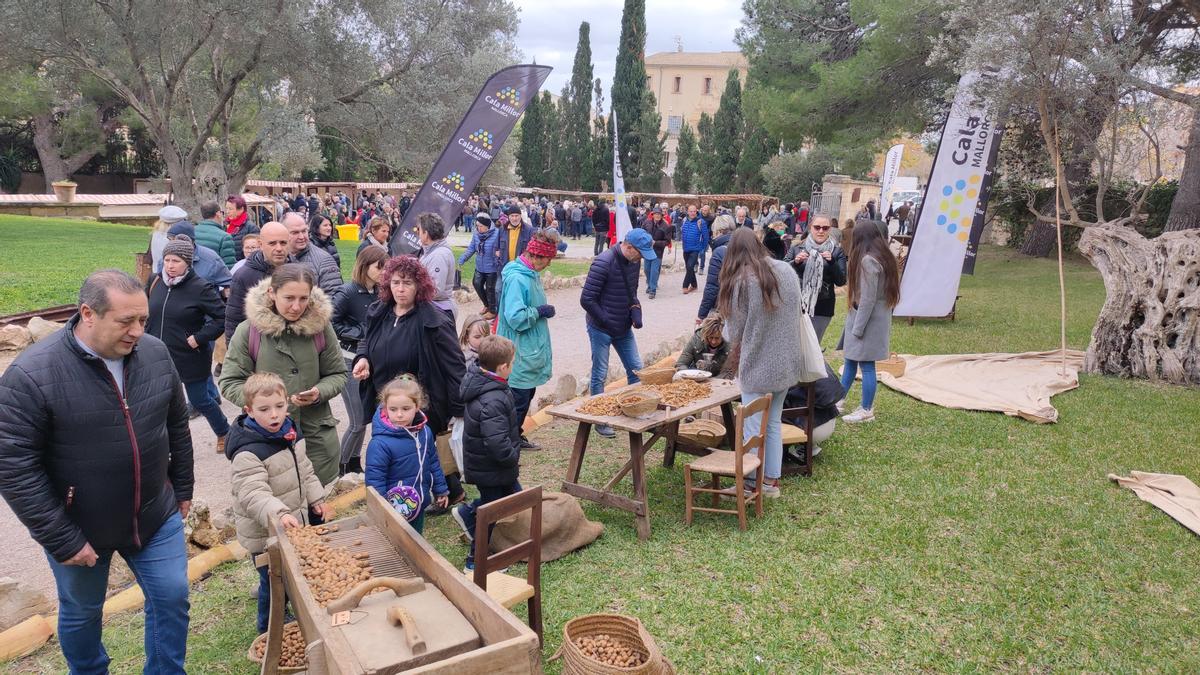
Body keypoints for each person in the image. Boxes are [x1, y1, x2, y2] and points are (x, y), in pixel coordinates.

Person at [0, 270, 193, 674]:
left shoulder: (155, 354)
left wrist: (184, 487)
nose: (138, 331)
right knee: (83, 613)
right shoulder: (32, 375)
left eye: (142, 320)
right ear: (88, 313)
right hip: (79, 527)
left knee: (172, 597)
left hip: (155, 515)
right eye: (126, 321)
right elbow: (14, 467)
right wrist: (62, 539)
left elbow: (176, 421)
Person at [351, 255, 466, 506]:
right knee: (393, 449)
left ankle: (440, 492)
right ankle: (397, 493)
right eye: (395, 283)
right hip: (384, 398)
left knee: (421, 450)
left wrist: (457, 409)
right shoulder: (378, 312)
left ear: (419, 286)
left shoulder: (434, 320)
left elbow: (455, 365)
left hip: (420, 402)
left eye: (407, 283)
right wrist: (363, 358)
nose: (400, 289)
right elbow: (366, 340)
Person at [220, 264, 348, 485]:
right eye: (289, 298)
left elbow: (337, 374)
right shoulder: (249, 331)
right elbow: (230, 381)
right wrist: (265, 405)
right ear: (272, 293)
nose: (297, 307)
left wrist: (319, 392)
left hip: (316, 437)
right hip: (267, 440)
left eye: (303, 298)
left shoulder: (321, 328)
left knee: (323, 505)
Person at [226, 372, 331, 633]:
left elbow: (304, 468)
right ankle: (269, 626)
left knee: (293, 575)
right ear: (249, 411)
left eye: (279, 407)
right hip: (266, 534)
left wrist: (316, 498)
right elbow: (253, 493)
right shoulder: (247, 452)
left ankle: (296, 611)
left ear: (288, 404)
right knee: (274, 582)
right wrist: (279, 513)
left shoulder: (290, 433)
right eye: (264, 409)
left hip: (292, 525)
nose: (274, 415)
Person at [718, 228, 807, 498]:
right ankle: (769, 483)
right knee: (773, 423)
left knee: (752, 428)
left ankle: (749, 485)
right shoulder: (787, 271)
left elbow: (733, 334)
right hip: (786, 363)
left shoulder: (741, 281)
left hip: (758, 366)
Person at [146, 236, 229, 452]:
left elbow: (222, 317)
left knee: (200, 400)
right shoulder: (155, 282)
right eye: (167, 260)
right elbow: (146, 313)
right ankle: (167, 444)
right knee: (160, 402)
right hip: (158, 355)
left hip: (190, 356)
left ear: (188, 263)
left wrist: (199, 337)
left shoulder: (200, 287)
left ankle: (224, 432)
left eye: (176, 261)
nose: (171, 266)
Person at [451, 335, 522, 571]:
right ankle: (476, 561)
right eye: (512, 363)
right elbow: (496, 441)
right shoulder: (493, 398)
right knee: (492, 513)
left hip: (489, 466)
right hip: (491, 467)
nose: (513, 366)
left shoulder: (487, 384)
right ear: (503, 367)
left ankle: (467, 512)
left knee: (513, 499)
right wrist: (512, 456)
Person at [580, 229, 656, 438]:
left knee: (636, 369)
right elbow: (586, 299)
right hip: (601, 328)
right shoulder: (603, 263)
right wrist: (606, 320)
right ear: (629, 247)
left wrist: (636, 309)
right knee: (600, 372)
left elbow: (631, 292)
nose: (641, 258)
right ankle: (599, 417)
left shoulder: (634, 262)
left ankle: (638, 408)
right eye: (640, 253)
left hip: (623, 327)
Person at [497, 229, 559, 451]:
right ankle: (508, 442)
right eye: (548, 259)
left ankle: (515, 436)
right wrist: (538, 312)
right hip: (519, 350)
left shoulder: (531, 274)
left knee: (526, 394)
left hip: (528, 348)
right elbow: (515, 317)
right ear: (535, 256)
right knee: (518, 399)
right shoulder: (517, 279)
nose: (549, 264)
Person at [365, 376, 449, 533]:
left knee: (416, 541)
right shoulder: (380, 444)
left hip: (417, 503)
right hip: (392, 510)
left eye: (405, 409)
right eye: (393, 409)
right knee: (394, 547)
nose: (399, 415)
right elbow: (375, 483)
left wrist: (440, 489)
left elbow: (433, 461)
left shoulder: (425, 432)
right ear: (385, 408)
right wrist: (384, 511)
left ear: (417, 406)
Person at [331, 246, 388, 474]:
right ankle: (342, 467)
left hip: (370, 361)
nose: (384, 272)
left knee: (365, 418)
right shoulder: (346, 292)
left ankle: (354, 463)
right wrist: (359, 333)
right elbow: (330, 322)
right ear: (365, 266)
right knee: (357, 422)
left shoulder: (380, 292)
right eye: (379, 267)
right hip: (349, 360)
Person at [839, 223, 901, 424]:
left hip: (867, 321)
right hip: (872, 317)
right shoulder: (884, 257)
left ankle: (866, 409)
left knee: (866, 366)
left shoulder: (868, 261)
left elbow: (867, 299)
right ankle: (838, 400)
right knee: (850, 360)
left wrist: (857, 328)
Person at [785, 215, 848, 340]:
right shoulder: (797, 248)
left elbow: (841, 281)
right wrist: (795, 262)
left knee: (813, 346)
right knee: (795, 344)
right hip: (798, 304)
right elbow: (782, 273)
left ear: (829, 230)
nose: (821, 231)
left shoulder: (837, 252)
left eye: (825, 228)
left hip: (822, 307)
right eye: (817, 227)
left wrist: (832, 262)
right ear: (810, 228)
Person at [225, 221, 292, 340]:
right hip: (258, 346)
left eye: (283, 243)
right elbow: (234, 320)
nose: (279, 248)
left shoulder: (299, 272)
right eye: (272, 243)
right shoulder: (244, 275)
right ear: (261, 244)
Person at [782, 362, 845, 460]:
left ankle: (785, 449)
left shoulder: (781, 364)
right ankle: (810, 446)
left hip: (809, 427)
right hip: (829, 418)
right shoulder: (812, 356)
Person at [155, 220, 233, 292]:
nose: (171, 244)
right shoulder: (164, 261)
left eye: (174, 240)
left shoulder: (211, 260)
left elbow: (230, 284)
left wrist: (221, 296)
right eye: (170, 240)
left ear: (189, 241)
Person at [284, 212, 342, 296]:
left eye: (304, 231)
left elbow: (335, 299)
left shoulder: (324, 260)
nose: (301, 237)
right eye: (295, 233)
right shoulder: (276, 257)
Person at [696, 214, 737, 322]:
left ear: (718, 231)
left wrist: (701, 315)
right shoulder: (743, 246)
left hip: (725, 304)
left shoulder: (720, 252)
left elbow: (712, 287)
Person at [458, 212, 500, 319]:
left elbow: (501, 249)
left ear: (487, 226)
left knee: (490, 289)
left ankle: (492, 311)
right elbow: (471, 248)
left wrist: (498, 258)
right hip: (480, 266)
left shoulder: (497, 234)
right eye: (477, 226)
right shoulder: (476, 234)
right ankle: (487, 305)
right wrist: (463, 259)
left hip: (492, 267)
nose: (478, 228)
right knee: (476, 284)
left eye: (481, 226)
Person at [416, 212, 458, 320]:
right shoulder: (432, 252)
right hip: (434, 308)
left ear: (426, 233)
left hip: (438, 311)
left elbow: (435, 290)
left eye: (419, 230)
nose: (418, 234)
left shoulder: (438, 256)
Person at [675, 312, 732, 376]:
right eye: (710, 337)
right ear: (705, 335)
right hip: (697, 375)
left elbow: (732, 370)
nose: (713, 341)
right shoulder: (696, 340)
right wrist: (689, 376)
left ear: (723, 336)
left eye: (717, 338)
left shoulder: (730, 345)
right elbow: (681, 364)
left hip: (720, 377)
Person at [196, 200, 237, 266]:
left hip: (194, 274)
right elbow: (229, 266)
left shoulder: (192, 232)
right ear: (218, 213)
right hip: (215, 275)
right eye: (222, 212)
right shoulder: (225, 237)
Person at [644, 208, 673, 299]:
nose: (657, 215)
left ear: (661, 215)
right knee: (646, 269)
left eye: (659, 214)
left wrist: (655, 243)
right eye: (655, 214)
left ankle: (652, 290)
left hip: (658, 251)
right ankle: (649, 284)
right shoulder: (647, 223)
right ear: (652, 214)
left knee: (654, 271)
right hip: (647, 250)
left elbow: (667, 241)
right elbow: (642, 233)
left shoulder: (665, 226)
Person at [680, 204, 709, 295]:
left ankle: (685, 286)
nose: (692, 213)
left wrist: (703, 248)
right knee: (690, 268)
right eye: (690, 211)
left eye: (694, 211)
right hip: (686, 248)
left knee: (689, 267)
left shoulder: (700, 222)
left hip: (695, 249)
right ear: (687, 212)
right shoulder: (684, 220)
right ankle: (694, 285)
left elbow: (706, 237)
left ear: (696, 211)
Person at [226, 195, 260, 260]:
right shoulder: (225, 225)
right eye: (226, 208)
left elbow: (256, 251)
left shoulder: (251, 228)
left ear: (241, 209)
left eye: (230, 209)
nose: (227, 211)